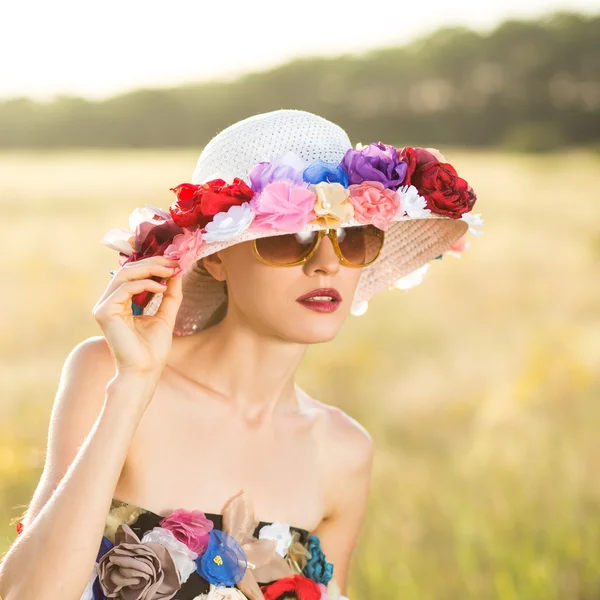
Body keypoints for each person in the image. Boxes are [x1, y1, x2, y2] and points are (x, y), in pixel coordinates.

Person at [0, 109, 481, 600]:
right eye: (288, 239)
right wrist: (133, 385)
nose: (327, 264)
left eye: (353, 238)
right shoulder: (107, 373)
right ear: (216, 259)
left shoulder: (344, 451)